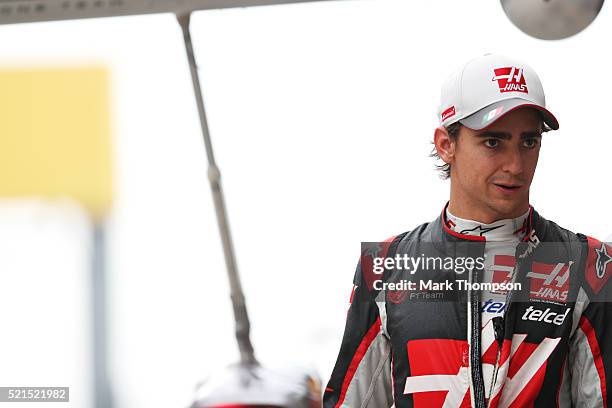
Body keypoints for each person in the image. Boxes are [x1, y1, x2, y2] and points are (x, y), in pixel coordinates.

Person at [323, 54, 611, 407]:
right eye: (494, 142)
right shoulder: (387, 265)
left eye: (529, 141)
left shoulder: (591, 264)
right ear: (446, 144)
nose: (515, 165)